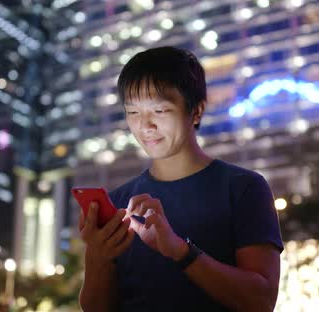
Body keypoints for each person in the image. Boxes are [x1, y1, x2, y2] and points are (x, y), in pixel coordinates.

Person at [78, 46, 284, 312]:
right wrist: (97, 256)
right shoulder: (119, 201)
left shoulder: (243, 188)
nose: (145, 126)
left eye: (160, 111)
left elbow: (261, 301)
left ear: (196, 111)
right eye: (133, 112)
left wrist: (180, 251)